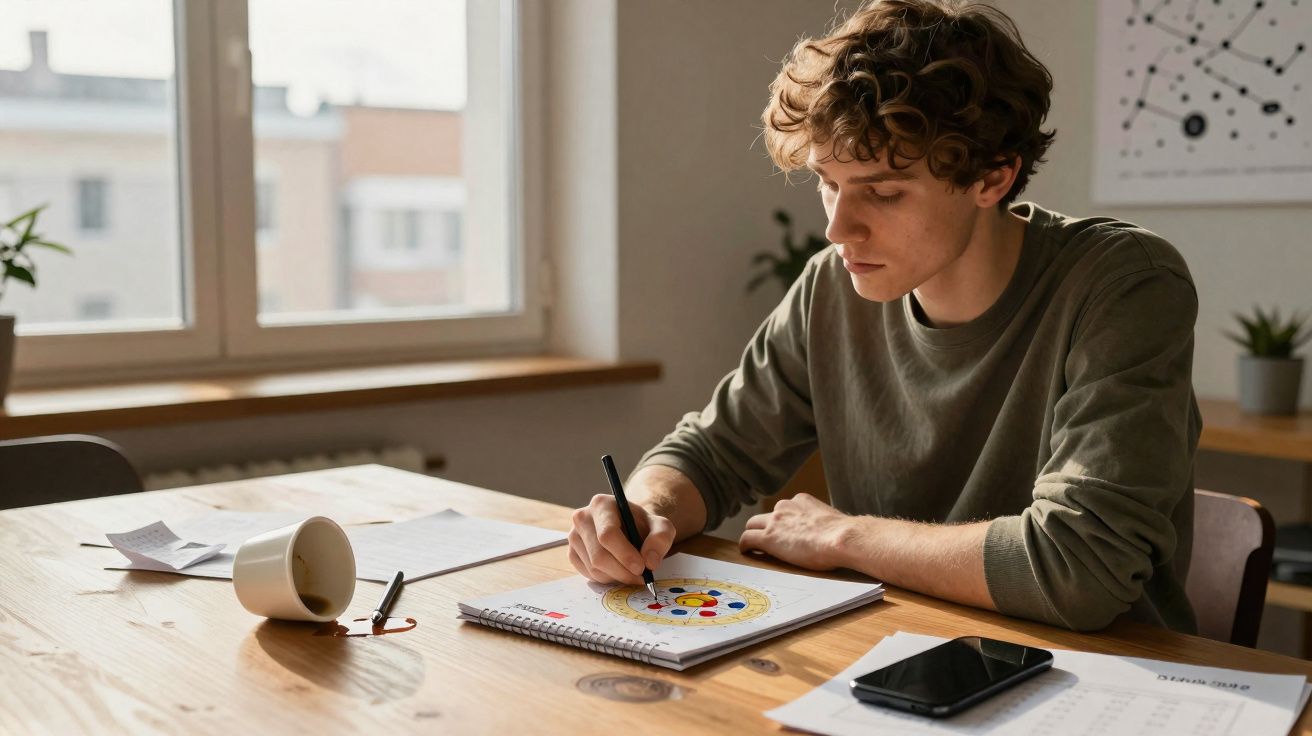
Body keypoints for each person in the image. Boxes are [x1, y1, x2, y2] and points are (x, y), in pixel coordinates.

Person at [568, 0, 1200, 633]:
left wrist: (845, 537)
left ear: (994, 178)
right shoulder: (831, 287)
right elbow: (713, 452)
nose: (838, 229)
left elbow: (1079, 568)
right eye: (827, 182)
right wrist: (647, 509)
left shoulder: (1126, 283)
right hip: (896, 652)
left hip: (1100, 677)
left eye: (884, 192)